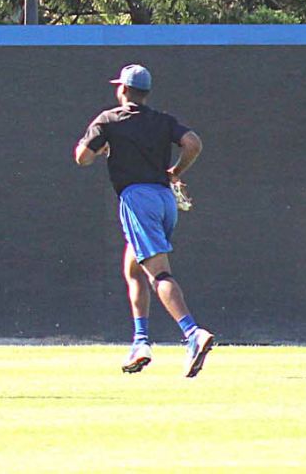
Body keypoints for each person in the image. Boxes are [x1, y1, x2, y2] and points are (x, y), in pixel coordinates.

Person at [74, 63, 216, 377]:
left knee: (158, 273)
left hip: (137, 200)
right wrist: (176, 171)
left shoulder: (109, 119)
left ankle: (193, 333)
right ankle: (141, 342)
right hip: (165, 200)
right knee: (134, 268)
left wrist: (101, 148)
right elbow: (193, 143)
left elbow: (82, 157)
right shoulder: (162, 120)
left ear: (123, 89)